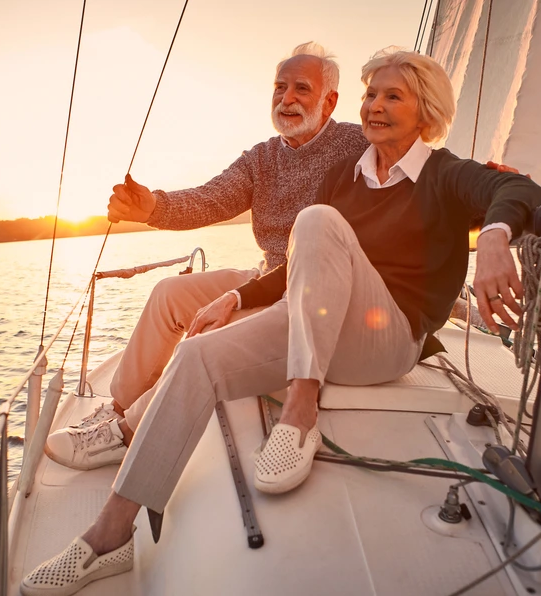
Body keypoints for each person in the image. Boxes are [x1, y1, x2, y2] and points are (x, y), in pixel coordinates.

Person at [19, 47, 541, 596]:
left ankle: (300, 410)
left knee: (315, 220)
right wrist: (237, 297)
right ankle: (110, 535)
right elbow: (298, 261)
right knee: (197, 354)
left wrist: (493, 237)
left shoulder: (444, 173)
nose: (376, 106)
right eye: (372, 95)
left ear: (425, 110)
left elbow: (518, 190)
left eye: (394, 96)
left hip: (388, 339)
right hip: (321, 319)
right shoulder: (347, 173)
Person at [44, 42, 369, 470]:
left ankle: (133, 431)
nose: (286, 98)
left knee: (214, 331)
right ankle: (117, 409)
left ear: (329, 101)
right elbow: (209, 200)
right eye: (279, 86)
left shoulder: (358, 143)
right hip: (267, 277)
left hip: (313, 295)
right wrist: (151, 208)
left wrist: (487, 198)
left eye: (301, 88)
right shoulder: (263, 158)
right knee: (169, 294)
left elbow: (418, 166)